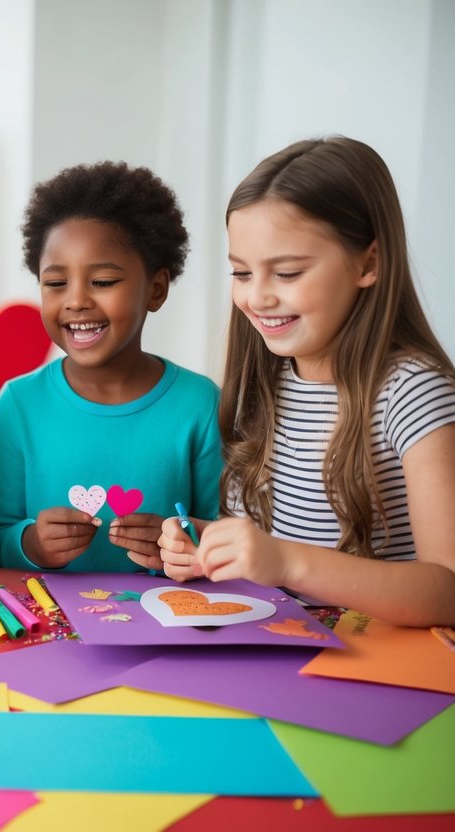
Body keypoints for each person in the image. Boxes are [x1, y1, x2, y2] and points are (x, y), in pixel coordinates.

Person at [159, 137, 455, 627]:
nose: (257, 297)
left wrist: (284, 561)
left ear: (369, 263)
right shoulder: (265, 378)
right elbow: (273, 553)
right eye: (241, 272)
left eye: (288, 273)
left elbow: (447, 591)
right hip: (279, 653)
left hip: (376, 672)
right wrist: (214, 547)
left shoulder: (415, 394)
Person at [0, 162, 221, 573]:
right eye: (56, 284)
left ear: (156, 289)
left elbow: (228, 537)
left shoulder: (201, 405)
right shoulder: (18, 404)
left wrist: (182, 544)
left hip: (166, 625)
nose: (75, 301)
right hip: (48, 627)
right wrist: (31, 544)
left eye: (104, 282)